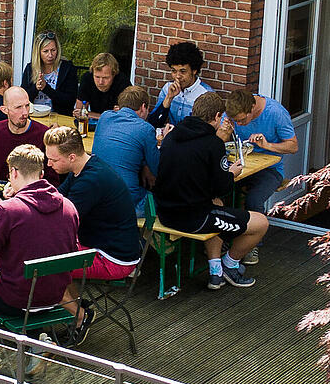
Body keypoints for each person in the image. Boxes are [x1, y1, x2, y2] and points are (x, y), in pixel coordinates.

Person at [0, 145, 80, 375]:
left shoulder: (9, 210)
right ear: (41, 174)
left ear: (13, 173)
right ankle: (36, 346)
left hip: (16, 299)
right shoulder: (69, 207)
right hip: (54, 297)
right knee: (22, 281)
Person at [153, 91, 268, 291]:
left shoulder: (171, 137)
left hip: (165, 213)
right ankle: (230, 265)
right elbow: (222, 187)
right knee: (261, 223)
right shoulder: (213, 144)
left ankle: (216, 272)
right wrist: (231, 173)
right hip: (194, 219)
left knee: (217, 204)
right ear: (216, 117)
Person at [44, 127, 143, 343]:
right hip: (103, 244)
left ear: (71, 156)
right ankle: (74, 305)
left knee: (45, 269)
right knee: (50, 257)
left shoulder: (90, 182)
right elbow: (57, 198)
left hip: (113, 258)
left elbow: (60, 221)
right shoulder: (85, 167)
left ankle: (80, 315)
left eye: (53, 159)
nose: (49, 164)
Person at [226, 89, 297, 266]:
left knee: (254, 199)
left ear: (252, 108)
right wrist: (224, 131)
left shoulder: (275, 113)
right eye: (237, 121)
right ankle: (224, 239)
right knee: (219, 190)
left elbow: (293, 146)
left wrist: (267, 145)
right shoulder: (233, 116)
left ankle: (252, 245)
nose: (240, 125)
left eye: (243, 120)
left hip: (270, 169)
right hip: (240, 164)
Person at [92, 85, 161, 215]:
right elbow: (157, 168)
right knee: (164, 200)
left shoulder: (105, 117)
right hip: (126, 203)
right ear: (143, 107)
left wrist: (144, 165)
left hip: (97, 196)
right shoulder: (146, 129)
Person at [0, 87, 50, 182]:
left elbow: (52, 180)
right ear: (4, 110)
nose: (25, 112)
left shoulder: (43, 133)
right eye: (18, 107)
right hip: (0, 191)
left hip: (33, 194)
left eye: (27, 106)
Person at [147, 41, 213, 129]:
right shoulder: (167, 88)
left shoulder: (206, 94)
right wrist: (168, 98)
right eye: (174, 71)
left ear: (194, 70)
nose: (177, 76)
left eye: (183, 71)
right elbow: (153, 123)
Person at [19, 30, 77, 117]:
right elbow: (22, 99)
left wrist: (46, 88)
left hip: (59, 116)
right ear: (38, 52)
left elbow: (69, 101)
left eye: (53, 50)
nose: (50, 55)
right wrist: (36, 88)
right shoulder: (30, 69)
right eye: (45, 51)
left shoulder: (67, 69)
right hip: (33, 116)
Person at [75, 52, 130, 121]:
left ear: (114, 74)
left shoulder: (123, 84)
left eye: (105, 78)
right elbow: (79, 112)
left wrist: (90, 114)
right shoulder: (87, 78)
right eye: (97, 77)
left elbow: (121, 118)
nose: (101, 82)